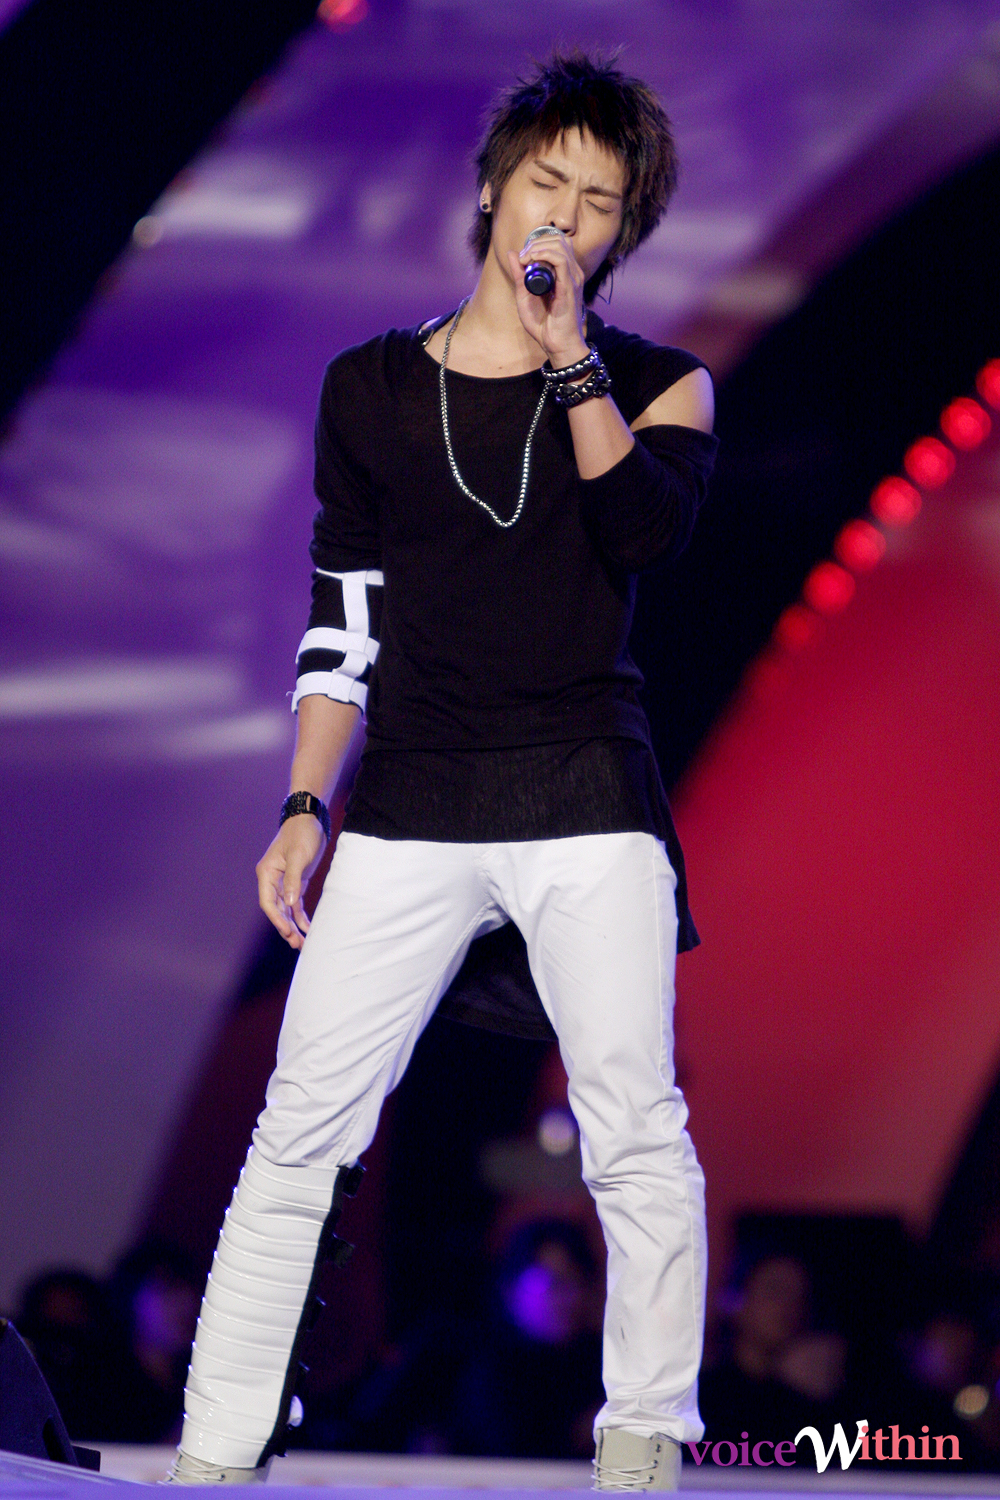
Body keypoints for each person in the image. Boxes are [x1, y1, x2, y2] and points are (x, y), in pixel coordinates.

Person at [165, 51, 717, 1491]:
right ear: (491, 189)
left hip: (585, 793)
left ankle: (645, 1443)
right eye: (547, 182)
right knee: (302, 1122)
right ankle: (216, 1445)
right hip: (411, 797)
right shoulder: (370, 389)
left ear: (623, 234)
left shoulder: (662, 385)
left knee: (631, 1125)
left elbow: (643, 531)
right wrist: (304, 802)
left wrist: (570, 356)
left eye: (600, 202)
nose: (565, 216)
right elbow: (342, 613)